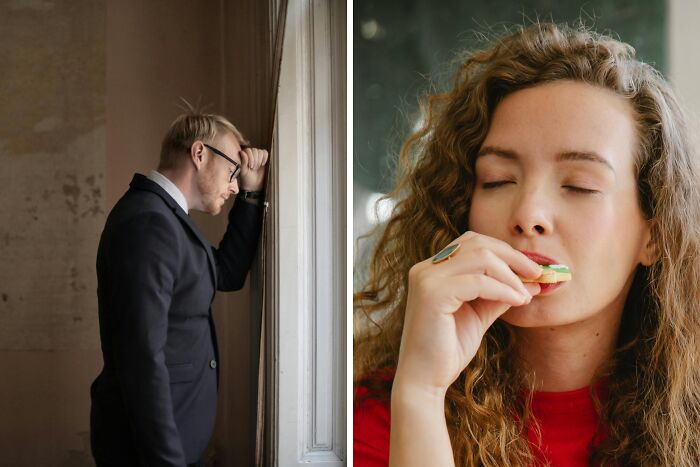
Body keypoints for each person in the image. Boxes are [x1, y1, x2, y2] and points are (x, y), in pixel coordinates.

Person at [354, 22, 700, 466]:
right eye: (497, 181)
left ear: (655, 234)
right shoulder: (380, 419)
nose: (527, 215)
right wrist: (421, 393)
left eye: (578, 186)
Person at [89, 110, 268, 467]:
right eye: (233, 170)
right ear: (199, 154)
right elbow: (141, 359)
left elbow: (226, 273)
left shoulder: (166, 218)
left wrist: (250, 194)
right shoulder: (149, 222)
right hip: (149, 451)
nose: (234, 185)